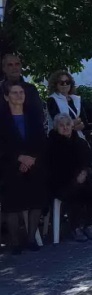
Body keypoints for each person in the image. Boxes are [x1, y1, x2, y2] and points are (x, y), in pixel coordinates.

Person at [0, 81, 48, 254]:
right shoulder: (2, 119)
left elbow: (41, 140)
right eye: (14, 93)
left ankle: (31, 239)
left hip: (34, 164)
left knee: (36, 200)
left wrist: (31, 159)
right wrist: (19, 158)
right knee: (12, 203)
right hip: (9, 165)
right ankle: (14, 242)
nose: (19, 96)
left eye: (21, 92)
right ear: (6, 97)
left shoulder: (33, 116)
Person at [48, 114, 92, 242]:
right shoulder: (52, 144)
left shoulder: (80, 142)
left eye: (68, 124)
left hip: (83, 178)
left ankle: (88, 224)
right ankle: (75, 227)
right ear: (56, 128)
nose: (65, 128)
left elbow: (90, 161)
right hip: (61, 182)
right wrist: (74, 179)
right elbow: (53, 168)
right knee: (74, 191)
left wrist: (84, 172)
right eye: (61, 125)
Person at [0, 53, 45, 125]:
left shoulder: (31, 89)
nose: (14, 67)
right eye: (10, 65)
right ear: (4, 68)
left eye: (17, 64)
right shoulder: (1, 89)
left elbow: (39, 114)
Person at [46, 70, 87, 138]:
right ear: (55, 85)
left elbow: (84, 121)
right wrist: (77, 121)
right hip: (59, 139)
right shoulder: (52, 100)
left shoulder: (76, 99)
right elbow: (59, 123)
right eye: (61, 83)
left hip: (78, 138)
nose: (65, 84)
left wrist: (80, 124)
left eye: (67, 82)